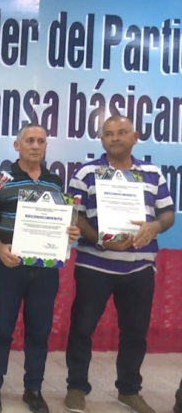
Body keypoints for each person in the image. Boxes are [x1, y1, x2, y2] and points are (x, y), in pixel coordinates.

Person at [64, 115, 174, 413]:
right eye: (108, 133)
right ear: (102, 140)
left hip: (139, 268)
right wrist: (101, 239)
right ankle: (76, 387)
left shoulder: (153, 174)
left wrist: (154, 227)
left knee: (135, 332)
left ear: (135, 136)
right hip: (94, 265)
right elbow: (75, 216)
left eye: (122, 132)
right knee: (82, 329)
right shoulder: (86, 173)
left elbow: (167, 214)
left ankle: (129, 390)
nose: (115, 138)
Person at [0, 124, 80, 413]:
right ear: (17, 145)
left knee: (39, 331)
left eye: (41, 141)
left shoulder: (54, 182)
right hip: (9, 266)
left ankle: (33, 389)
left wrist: (70, 233)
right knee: (1, 328)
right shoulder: (2, 178)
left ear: (46, 147)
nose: (35, 145)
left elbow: (62, 225)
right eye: (29, 141)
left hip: (45, 270)